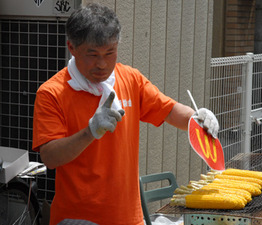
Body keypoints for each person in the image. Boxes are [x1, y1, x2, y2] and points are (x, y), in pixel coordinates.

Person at [32, 3, 219, 225]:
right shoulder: (52, 92)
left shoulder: (130, 79)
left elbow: (169, 110)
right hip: (78, 218)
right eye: (92, 54)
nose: (102, 64)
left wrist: (197, 118)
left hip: (129, 217)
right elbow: (50, 157)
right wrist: (90, 131)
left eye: (110, 53)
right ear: (71, 47)